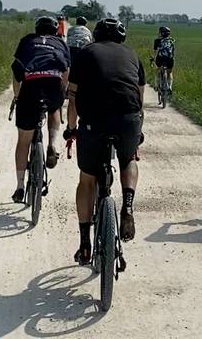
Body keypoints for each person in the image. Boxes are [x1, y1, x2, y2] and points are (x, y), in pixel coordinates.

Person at [65, 19, 145, 265]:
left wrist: (70, 129)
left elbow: (73, 96)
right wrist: (136, 131)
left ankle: (85, 243)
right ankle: (127, 205)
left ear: (96, 35)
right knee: (129, 158)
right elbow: (140, 98)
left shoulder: (86, 53)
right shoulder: (133, 55)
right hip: (128, 119)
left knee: (87, 179)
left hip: (94, 121)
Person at [10, 16, 70, 203]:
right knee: (54, 109)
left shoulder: (27, 40)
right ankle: (52, 143)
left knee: (23, 141)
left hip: (31, 87)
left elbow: (17, 69)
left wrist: (17, 96)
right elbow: (66, 70)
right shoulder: (60, 42)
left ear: (36, 29)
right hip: (53, 84)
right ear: (55, 30)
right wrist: (63, 90)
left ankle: (20, 187)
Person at [152, 26, 175, 99]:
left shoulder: (157, 41)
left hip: (160, 59)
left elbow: (155, 52)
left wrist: (153, 59)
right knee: (170, 73)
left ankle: (156, 85)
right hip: (170, 60)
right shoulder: (172, 40)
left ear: (161, 33)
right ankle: (170, 87)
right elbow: (173, 51)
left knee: (157, 70)